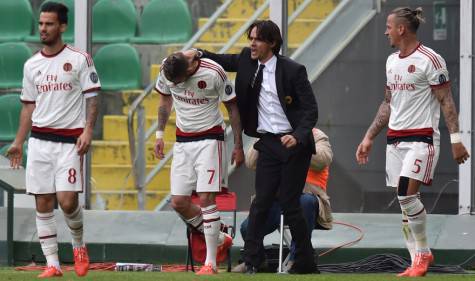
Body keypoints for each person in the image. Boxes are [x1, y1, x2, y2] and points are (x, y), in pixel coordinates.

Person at [192, 20, 319, 274]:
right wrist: (197, 54)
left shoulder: (293, 70)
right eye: (251, 38)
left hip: (294, 144)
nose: (252, 43)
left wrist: (297, 135)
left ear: (272, 43)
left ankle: (305, 259)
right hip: (269, 143)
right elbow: (221, 60)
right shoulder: (246, 61)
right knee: (260, 202)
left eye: (258, 39)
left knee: (290, 203)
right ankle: (251, 259)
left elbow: (310, 110)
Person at [356, 7, 470, 278]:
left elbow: (446, 100)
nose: (385, 31)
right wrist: (369, 136)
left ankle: (423, 254)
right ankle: (414, 261)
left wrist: (456, 140)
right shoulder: (391, 61)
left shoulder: (431, 59)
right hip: (395, 140)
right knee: (405, 202)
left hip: (421, 138)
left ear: (401, 29)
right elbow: (388, 103)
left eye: (388, 26)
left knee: (407, 195)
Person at [7, 2, 101, 278]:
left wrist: (87, 130)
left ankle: (78, 246)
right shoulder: (31, 64)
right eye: (40, 24)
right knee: (43, 202)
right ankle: (52, 264)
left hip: (69, 143)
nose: (43, 29)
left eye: (49, 24)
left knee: (68, 200)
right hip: (39, 142)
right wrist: (18, 141)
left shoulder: (79, 58)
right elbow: (28, 107)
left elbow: (92, 96)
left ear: (62, 26)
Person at [153, 52, 244, 275]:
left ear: (190, 69)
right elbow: (164, 100)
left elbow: (232, 107)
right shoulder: (167, 68)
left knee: (206, 198)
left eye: (179, 81)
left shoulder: (214, 72)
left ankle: (210, 263)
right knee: (178, 202)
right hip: (183, 142)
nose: (176, 86)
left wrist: (238, 145)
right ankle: (220, 237)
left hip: (210, 140)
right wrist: (158, 134)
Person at [233, 128, 333, 273]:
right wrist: (268, 141)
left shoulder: (317, 135)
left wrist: (296, 145)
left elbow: (324, 159)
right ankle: (257, 260)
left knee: (305, 202)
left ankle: (297, 259)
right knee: (246, 227)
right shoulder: (269, 133)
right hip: (275, 200)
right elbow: (250, 161)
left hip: (305, 197)